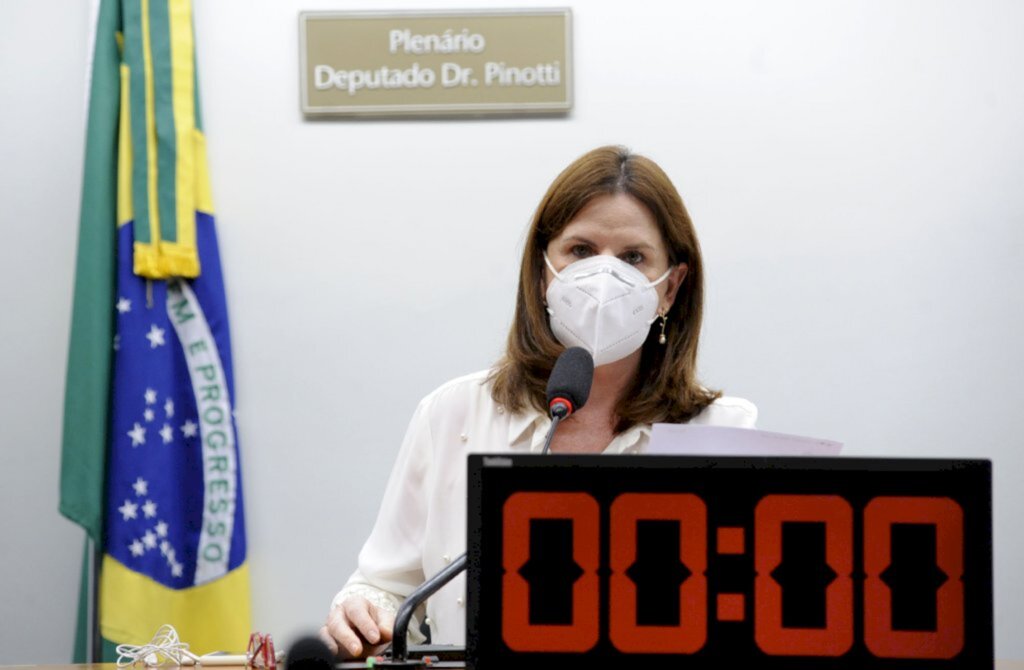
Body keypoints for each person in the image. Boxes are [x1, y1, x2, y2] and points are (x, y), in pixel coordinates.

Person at [319, 146, 757, 658]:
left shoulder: (722, 429)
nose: (603, 276)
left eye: (633, 257)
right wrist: (363, 610)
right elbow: (386, 586)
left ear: (671, 287)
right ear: (544, 271)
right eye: (581, 250)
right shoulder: (453, 413)